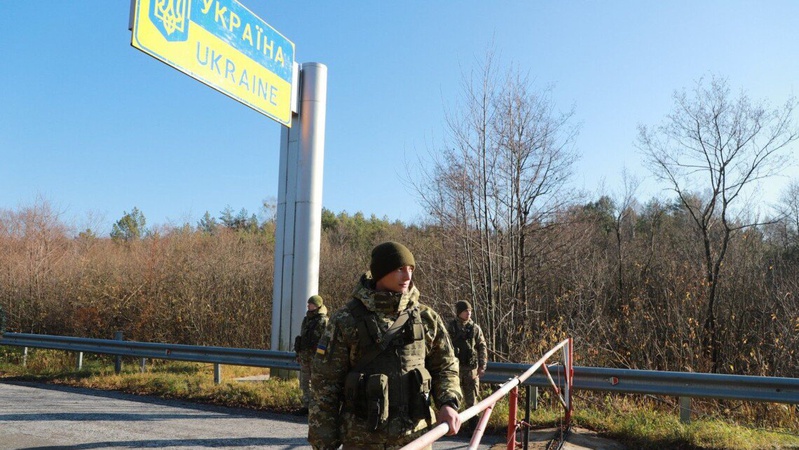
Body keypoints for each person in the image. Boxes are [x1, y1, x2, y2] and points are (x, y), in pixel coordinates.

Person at [308, 241, 463, 450]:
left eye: (410, 269)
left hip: (416, 440)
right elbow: (325, 384)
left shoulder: (426, 318)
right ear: (380, 272)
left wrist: (448, 402)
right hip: (362, 441)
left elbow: (445, 367)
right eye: (400, 269)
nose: (407, 277)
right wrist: (324, 443)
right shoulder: (346, 320)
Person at [447, 300, 487, 429]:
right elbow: (443, 347)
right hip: (455, 370)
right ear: (459, 312)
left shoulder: (475, 328)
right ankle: (453, 427)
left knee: (472, 401)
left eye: (470, 311)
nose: (468, 313)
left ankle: (473, 429)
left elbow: (482, 347)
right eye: (465, 311)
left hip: (471, 370)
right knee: (453, 400)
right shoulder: (451, 327)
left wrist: (482, 366)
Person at [294, 294, 329, 416]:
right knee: (305, 382)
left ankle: (316, 407)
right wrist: (299, 353)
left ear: (317, 306)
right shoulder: (306, 319)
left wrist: (321, 356)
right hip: (305, 355)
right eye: (308, 304)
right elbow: (302, 337)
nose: (308, 305)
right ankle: (306, 406)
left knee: (316, 382)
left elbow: (326, 340)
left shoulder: (323, 321)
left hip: (316, 357)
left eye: (311, 304)